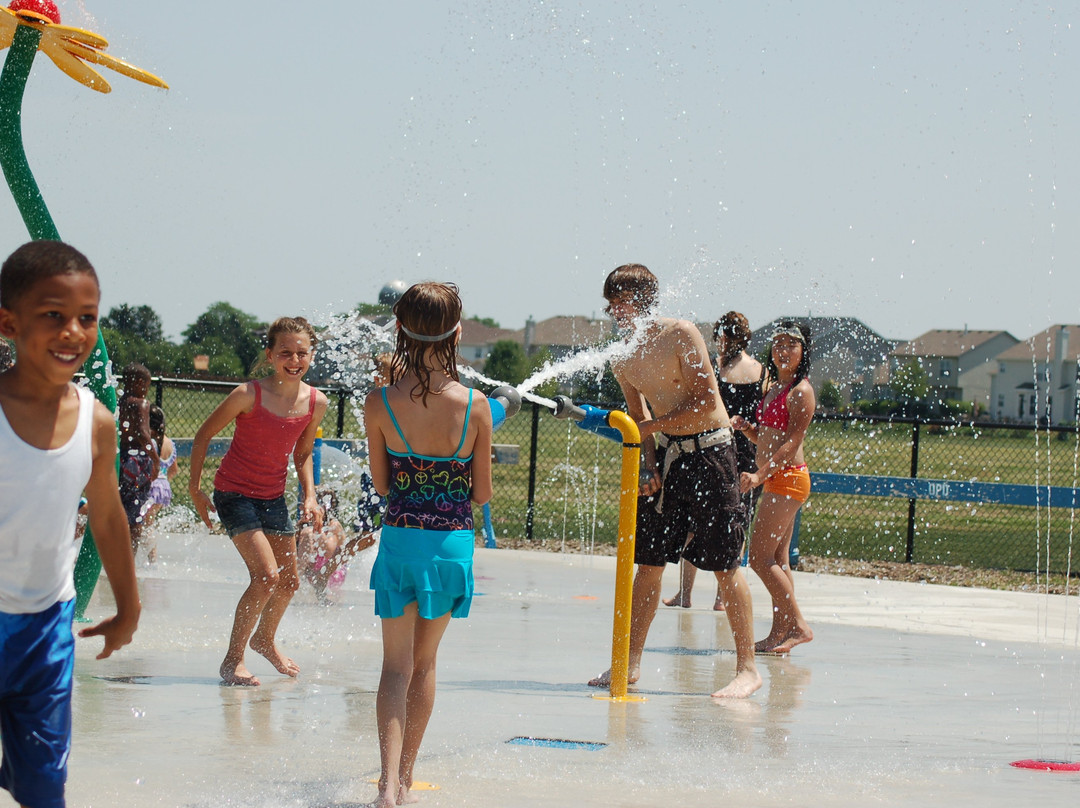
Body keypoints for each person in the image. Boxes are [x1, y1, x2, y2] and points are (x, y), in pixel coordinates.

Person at [0, 241, 140, 808]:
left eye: (87, 317)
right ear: (8, 323)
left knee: (44, 790)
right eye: (53, 315)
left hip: (45, 630)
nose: (72, 332)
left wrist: (129, 607)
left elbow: (107, 515)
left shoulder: (95, 422)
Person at [589, 264, 760, 699]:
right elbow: (638, 416)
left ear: (644, 301)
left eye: (622, 301)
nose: (615, 311)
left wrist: (649, 429)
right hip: (668, 458)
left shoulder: (681, 333)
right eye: (611, 303)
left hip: (713, 453)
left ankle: (747, 669)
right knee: (648, 565)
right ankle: (628, 663)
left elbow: (706, 403)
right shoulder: (622, 357)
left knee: (724, 564)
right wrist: (648, 466)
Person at [363, 282, 493, 807]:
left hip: (400, 541)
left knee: (394, 668)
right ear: (457, 334)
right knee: (425, 665)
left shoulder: (379, 402)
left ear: (399, 329)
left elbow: (381, 484)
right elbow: (481, 493)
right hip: (450, 546)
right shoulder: (476, 406)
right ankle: (408, 777)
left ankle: (385, 784)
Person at [188, 316, 328, 686]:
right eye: (285, 352)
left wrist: (310, 497)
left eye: (301, 353)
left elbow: (302, 453)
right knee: (266, 577)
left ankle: (264, 639)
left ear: (312, 355)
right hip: (234, 494)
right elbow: (202, 435)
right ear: (270, 355)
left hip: (272, 497)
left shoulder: (316, 402)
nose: (294, 360)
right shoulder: (247, 395)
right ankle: (233, 660)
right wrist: (195, 489)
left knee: (289, 583)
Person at [665, 311, 764, 611]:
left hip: (723, 450)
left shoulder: (726, 367)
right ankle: (704, 595)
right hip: (731, 451)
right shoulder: (758, 371)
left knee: (715, 522)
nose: (722, 342)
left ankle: (700, 594)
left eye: (725, 337)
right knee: (729, 522)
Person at [733, 319, 815, 654]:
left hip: (788, 478)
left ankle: (798, 625)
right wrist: (747, 429)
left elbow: (791, 445)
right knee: (779, 560)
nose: (783, 350)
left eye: (791, 344)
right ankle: (781, 631)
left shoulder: (801, 392)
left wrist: (759, 475)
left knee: (758, 557)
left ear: (803, 351)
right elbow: (767, 439)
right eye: (778, 343)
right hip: (779, 479)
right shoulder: (774, 389)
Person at [297, 484, 377, 601]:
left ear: (322, 506)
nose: (302, 507)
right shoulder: (304, 525)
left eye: (305, 503)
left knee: (308, 533)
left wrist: (316, 531)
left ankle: (300, 581)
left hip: (331, 573)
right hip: (311, 572)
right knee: (304, 535)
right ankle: (297, 580)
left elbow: (329, 552)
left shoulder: (333, 525)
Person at [118, 362, 159, 553]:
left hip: (120, 459)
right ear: (139, 383)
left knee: (119, 507)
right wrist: (156, 459)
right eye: (147, 386)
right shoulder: (141, 404)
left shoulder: (118, 402)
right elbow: (143, 433)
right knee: (136, 514)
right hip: (137, 462)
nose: (146, 390)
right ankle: (131, 560)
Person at [139, 404, 179, 562]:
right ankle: (151, 560)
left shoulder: (151, 443)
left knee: (142, 525)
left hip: (151, 486)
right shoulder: (170, 443)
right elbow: (174, 470)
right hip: (163, 488)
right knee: (148, 524)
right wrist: (163, 481)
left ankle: (150, 559)